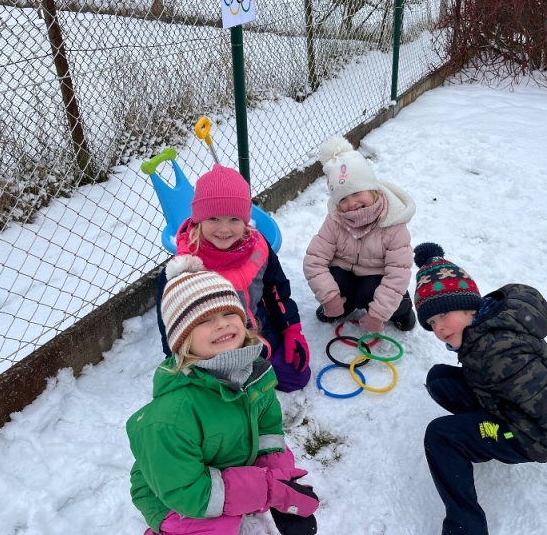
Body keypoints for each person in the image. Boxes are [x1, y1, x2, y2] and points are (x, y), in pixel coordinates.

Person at [412, 242, 547, 535]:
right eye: (432, 321)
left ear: (470, 307)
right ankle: (479, 428)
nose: (439, 328)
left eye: (444, 315)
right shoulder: (484, 330)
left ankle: (466, 528)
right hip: (508, 407)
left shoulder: (500, 351)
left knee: (441, 436)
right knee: (440, 379)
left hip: (524, 436)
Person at [128, 255, 319, 535]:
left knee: (248, 494)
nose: (222, 324)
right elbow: (192, 494)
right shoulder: (171, 418)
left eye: (229, 313)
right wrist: (268, 490)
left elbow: (268, 430)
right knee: (221, 525)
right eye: (204, 320)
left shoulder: (256, 375)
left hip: (226, 464)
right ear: (182, 341)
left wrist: (277, 478)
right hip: (172, 496)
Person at [155, 164, 311, 393]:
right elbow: (171, 326)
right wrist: (182, 365)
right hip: (215, 342)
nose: (224, 229)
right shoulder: (185, 269)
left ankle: (252, 371)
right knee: (223, 394)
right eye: (214, 218)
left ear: (246, 219)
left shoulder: (259, 247)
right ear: (198, 219)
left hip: (259, 329)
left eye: (234, 219)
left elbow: (276, 290)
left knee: (295, 376)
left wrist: (291, 330)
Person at [303, 136, 416, 334]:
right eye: (343, 198)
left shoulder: (393, 224)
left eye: (357, 193)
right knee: (336, 278)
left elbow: (398, 272)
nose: (352, 203)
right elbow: (314, 260)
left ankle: (402, 310)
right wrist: (330, 297)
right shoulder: (335, 220)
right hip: (346, 275)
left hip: (376, 279)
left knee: (370, 290)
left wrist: (379, 314)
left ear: (371, 189)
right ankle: (344, 304)